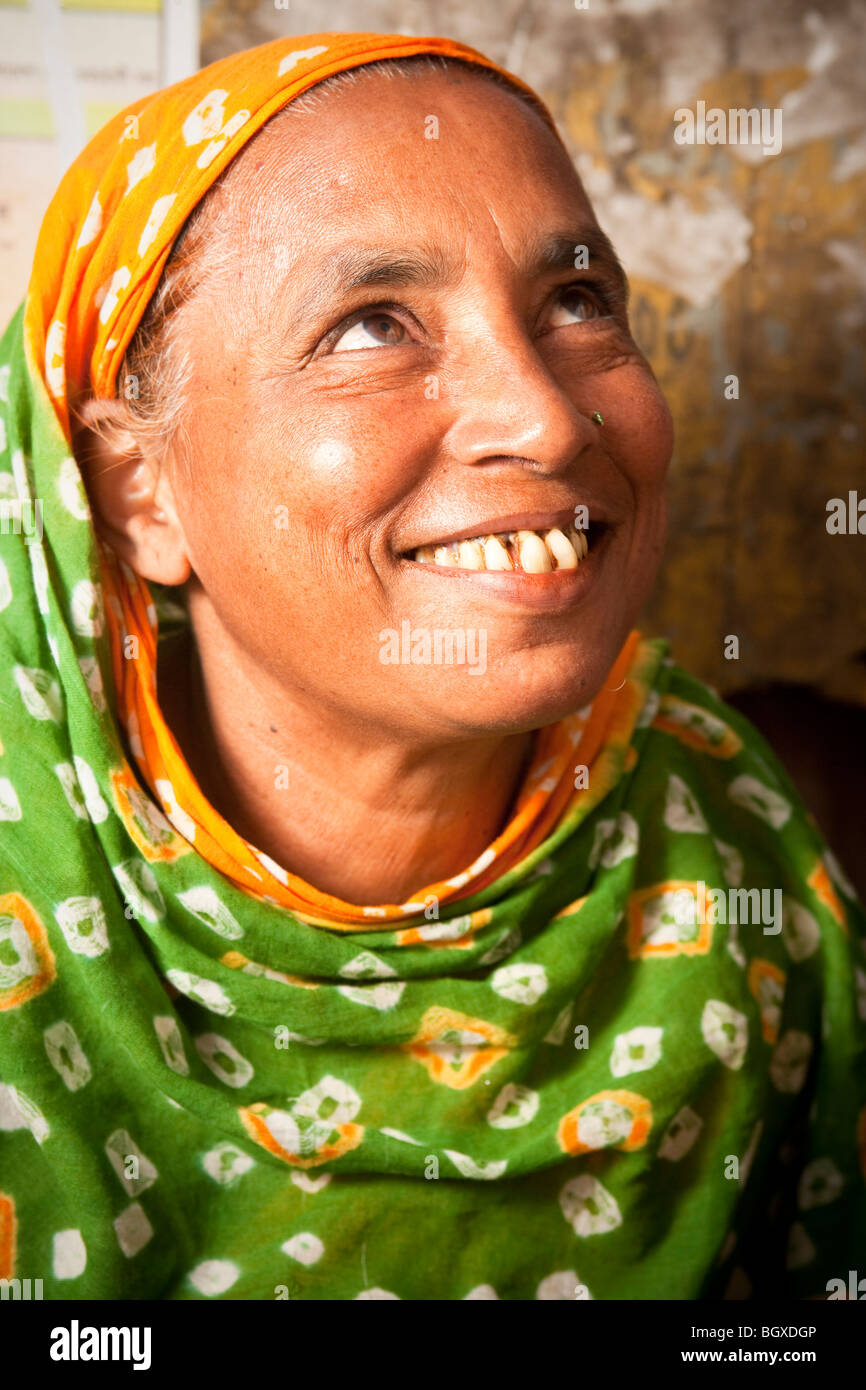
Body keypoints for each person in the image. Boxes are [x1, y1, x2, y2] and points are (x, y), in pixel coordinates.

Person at [0, 30, 863, 1301]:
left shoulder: (736, 852)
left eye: (574, 302)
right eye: (369, 328)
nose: (542, 415)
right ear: (139, 495)